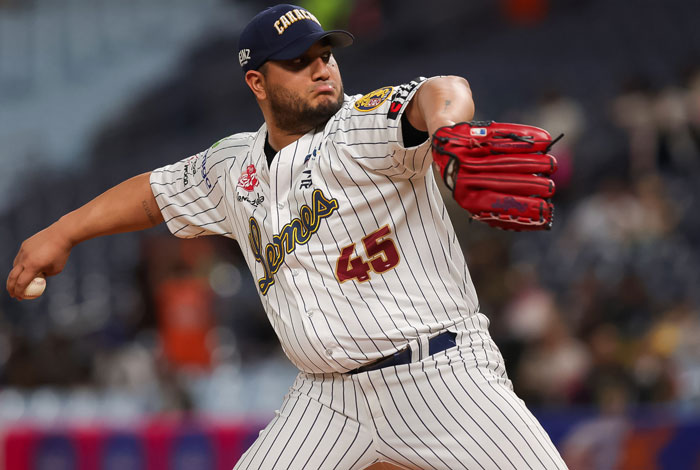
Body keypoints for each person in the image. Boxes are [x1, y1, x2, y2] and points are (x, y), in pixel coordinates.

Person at [7, 4, 568, 469]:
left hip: (440, 377)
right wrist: (62, 232)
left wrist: (450, 129)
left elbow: (442, 90)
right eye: (299, 62)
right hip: (328, 399)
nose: (322, 68)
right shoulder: (232, 168)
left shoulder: (361, 127)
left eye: (325, 54)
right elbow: (153, 194)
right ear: (258, 81)